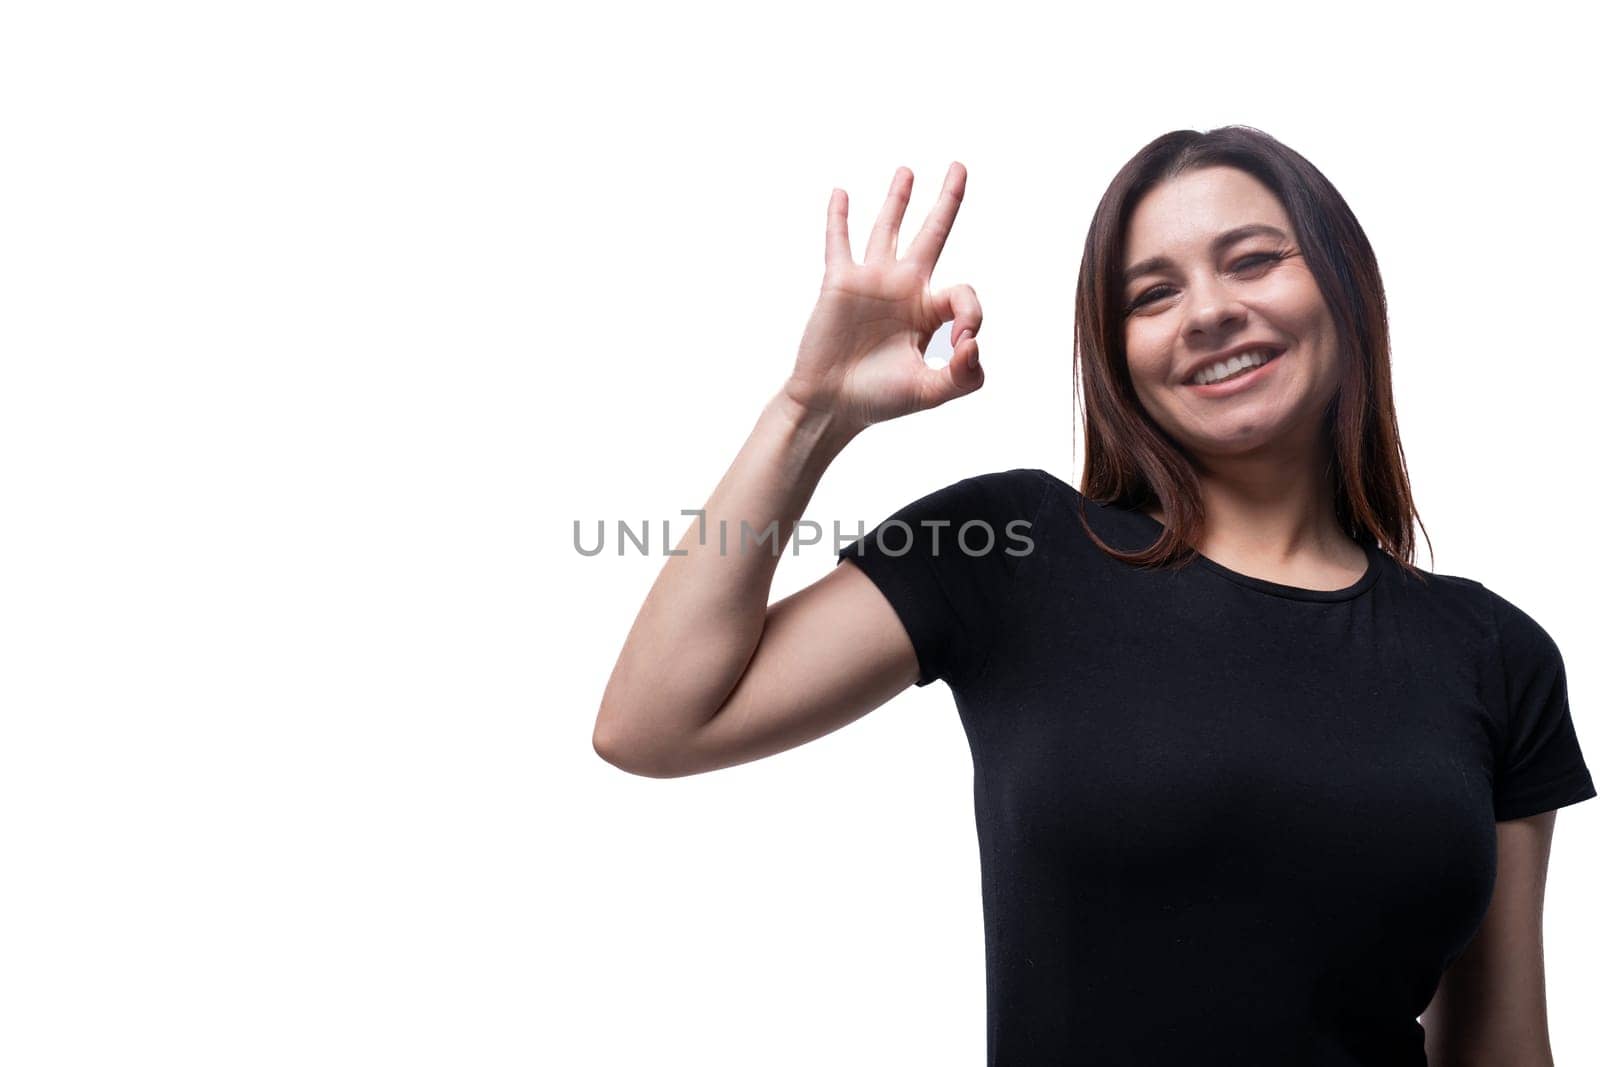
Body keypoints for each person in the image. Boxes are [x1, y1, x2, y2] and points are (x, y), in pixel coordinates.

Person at [591, 126, 1596, 1065]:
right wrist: (810, 412)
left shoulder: (1493, 651)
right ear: (1116, 355)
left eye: (1251, 259)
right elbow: (654, 721)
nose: (1207, 311)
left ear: (1343, 284)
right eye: (1150, 294)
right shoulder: (1016, 548)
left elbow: (1501, 1044)